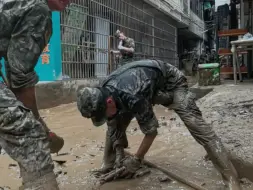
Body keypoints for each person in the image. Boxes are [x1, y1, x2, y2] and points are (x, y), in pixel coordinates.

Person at [77, 59, 241, 190]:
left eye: (103, 114)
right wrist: (120, 154)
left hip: (171, 84)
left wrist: (136, 160)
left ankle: (231, 179)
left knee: (195, 124)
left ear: (109, 101)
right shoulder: (105, 89)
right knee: (114, 122)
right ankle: (109, 163)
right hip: (146, 86)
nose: (104, 117)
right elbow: (113, 125)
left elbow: (151, 131)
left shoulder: (132, 95)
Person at [0, 0, 70, 154]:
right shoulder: (39, 9)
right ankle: (42, 178)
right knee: (31, 137)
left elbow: (12, 65)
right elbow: (21, 76)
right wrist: (37, 123)